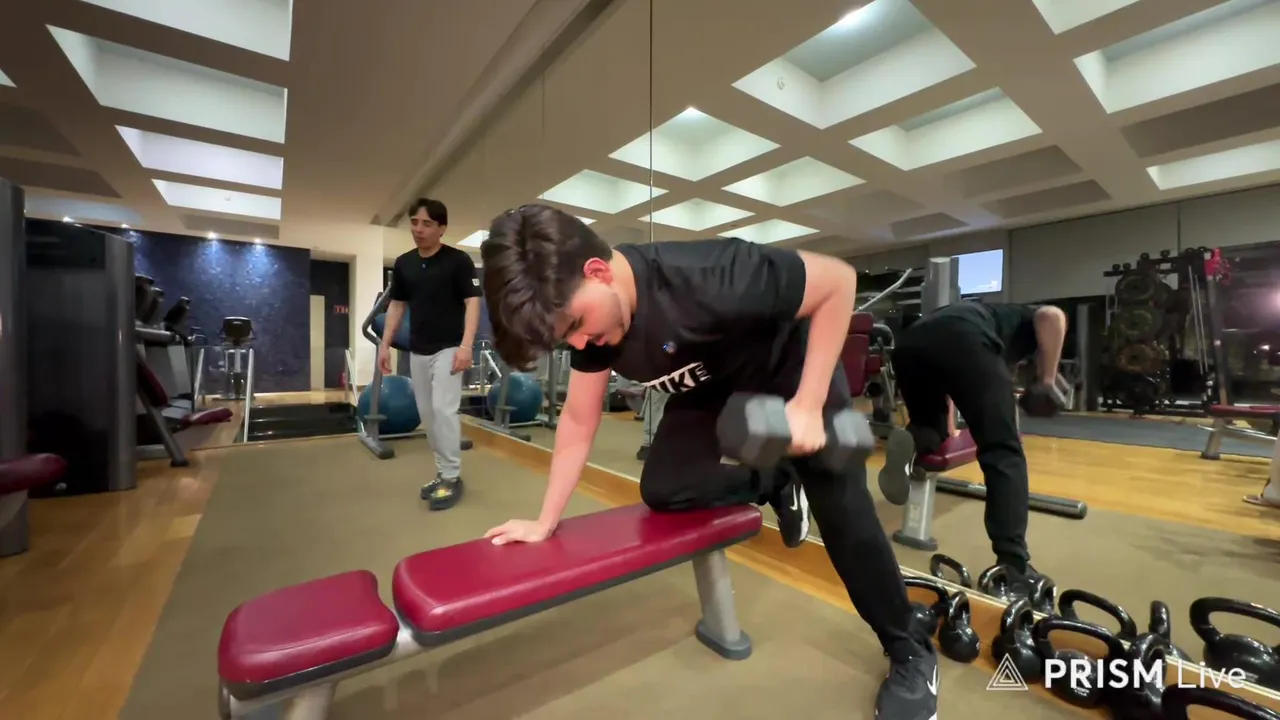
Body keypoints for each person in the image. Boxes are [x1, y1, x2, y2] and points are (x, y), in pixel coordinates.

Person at [477, 204, 939, 720]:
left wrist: (808, 407)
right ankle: (775, 479)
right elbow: (580, 420)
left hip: (791, 375)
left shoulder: (710, 274)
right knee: (665, 489)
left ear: (598, 271)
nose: (580, 343)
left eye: (577, 326)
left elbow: (837, 280)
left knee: (845, 518)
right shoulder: (592, 324)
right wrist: (545, 520)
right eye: (567, 337)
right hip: (714, 388)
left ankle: (909, 648)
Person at [884, 300, 1068, 598]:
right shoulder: (1028, 321)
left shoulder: (984, 318)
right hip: (964, 341)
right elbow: (1052, 314)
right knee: (1003, 450)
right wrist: (1048, 380)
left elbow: (953, 366)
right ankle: (1013, 566)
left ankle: (915, 440)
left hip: (910, 345)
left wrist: (951, 427)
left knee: (930, 427)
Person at [381, 198, 482, 510]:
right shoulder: (404, 263)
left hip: (450, 347)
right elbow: (397, 304)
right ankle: (442, 472)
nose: (418, 229)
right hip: (418, 349)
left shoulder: (458, 261)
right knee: (427, 414)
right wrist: (385, 344)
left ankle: (452, 475)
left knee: (443, 409)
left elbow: (472, 302)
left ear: (442, 228)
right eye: (414, 222)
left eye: (426, 223)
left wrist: (466, 346)